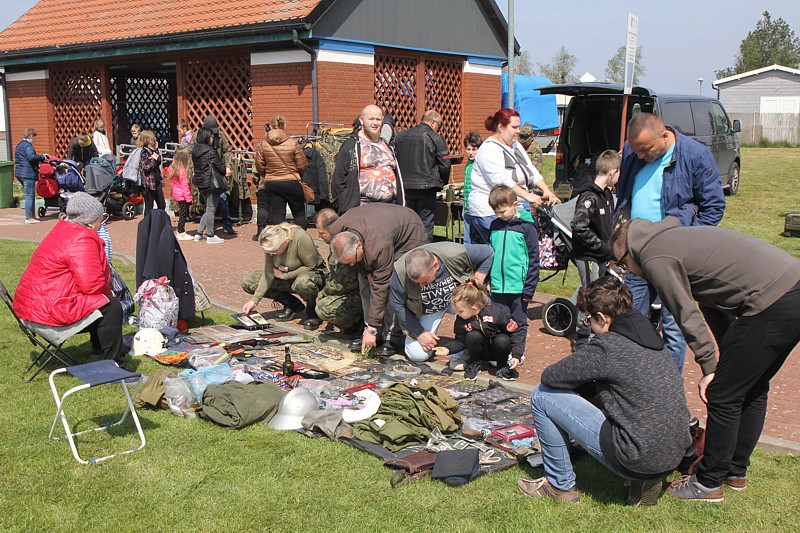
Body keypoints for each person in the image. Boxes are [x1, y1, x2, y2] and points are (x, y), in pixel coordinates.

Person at [610, 218, 800, 502]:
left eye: (622, 264)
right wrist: (725, 359)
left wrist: (710, 367)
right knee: (753, 386)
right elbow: (713, 305)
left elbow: (685, 314)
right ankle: (735, 471)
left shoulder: (654, 255)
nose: (627, 271)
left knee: (723, 394)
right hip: (791, 288)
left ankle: (708, 483)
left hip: (772, 299)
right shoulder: (675, 239)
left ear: (629, 250)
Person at [518, 276, 691, 505]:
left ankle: (560, 485)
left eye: (588, 319)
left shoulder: (608, 347)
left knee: (542, 395)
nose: (588, 325)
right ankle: (644, 480)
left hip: (634, 456)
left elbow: (551, 376)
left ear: (601, 317)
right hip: (672, 455)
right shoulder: (654, 341)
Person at [614, 112, 725, 374]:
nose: (641, 156)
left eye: (646, 149)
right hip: (636, 255)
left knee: (674, 325)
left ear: (664, 135)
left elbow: (714, 207)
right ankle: (633, 378)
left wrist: (685, 243)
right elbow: (624, 196)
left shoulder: (695, 155)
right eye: (636, 150)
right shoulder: (633, 152)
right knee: (629, 319)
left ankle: (669, 385)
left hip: (673, 257)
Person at [12, 192, 128, 369]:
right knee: (111, 306)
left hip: (31, 305)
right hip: (45, 311)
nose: (101, 223)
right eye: (101, 218)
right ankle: (115, 367)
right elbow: (92, 285)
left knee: (99, 301)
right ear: (89, 221)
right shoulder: (82, 239)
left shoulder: (64, 229)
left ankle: (99, 348)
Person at [318, 204, 427, 356]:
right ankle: (371, 333)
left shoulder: (378, 247)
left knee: (394, 284)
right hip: (379, 225)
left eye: (352, 260)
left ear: (359, 245)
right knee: (364, 283)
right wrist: (370, 328)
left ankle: (391, 337)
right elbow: (362, 274)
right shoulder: (336, 231)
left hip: (408, 233)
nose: (352, 264)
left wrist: (373, 328)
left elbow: (382, 287)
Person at [466, 108, 559, 244]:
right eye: (514, 127)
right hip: (490, 212)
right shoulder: (489, 149)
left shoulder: (515, 145)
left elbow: (530, 170)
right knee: (500, 253)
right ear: (501, 127)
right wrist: (528, 196)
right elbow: (501, 181)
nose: (518, 131)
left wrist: (546, 190)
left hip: (515, 208)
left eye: (519, 126)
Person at [389, 242, 493, 362]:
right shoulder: (400, 272)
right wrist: (420, 332)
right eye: (417, 283)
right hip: (428, 309)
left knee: (483, 315)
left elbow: (488, 253)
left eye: (425, 281)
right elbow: (397, 305)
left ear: (436, 265)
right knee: (416, 355)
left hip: (458, 299)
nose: (421, 286)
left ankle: (473, 349)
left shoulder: (454, 253)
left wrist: (476, 283)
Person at [486, 184, 539, 379]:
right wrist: (490, 279)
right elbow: (491, 254)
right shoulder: (494, 226)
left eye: (503, 211)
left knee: (518, 321)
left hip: (518, 285)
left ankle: (517, 353)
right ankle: (500, 352)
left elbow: (534, 259)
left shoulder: (527, 228)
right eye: (496, 212)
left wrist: (529, 289)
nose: (499, 215)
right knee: (499, 320)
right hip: (498, 285)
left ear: (515, 205)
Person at [571, 149, 620, 348]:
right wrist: (600, 247)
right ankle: (582, 338)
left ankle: (595, 332)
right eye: (619, 173)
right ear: (612, 173)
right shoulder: (589, 197)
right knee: (589, 295)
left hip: (601, 256)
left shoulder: (606, 195)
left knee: (598, 293)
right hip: (589, 256)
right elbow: (578, 226)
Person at [435, 277, 524, 381]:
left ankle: (502, 367)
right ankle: (474, 364)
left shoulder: (497, 312)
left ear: (473, 308)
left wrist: (516, 355)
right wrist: (447, 349)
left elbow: (516, 332)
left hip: (498, 350)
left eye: (460, 311)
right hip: (480, 351)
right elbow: (460, 340)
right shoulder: (462, 319)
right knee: (473, 335)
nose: (457, 314)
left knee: (503, 339)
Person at [241, 222, 327, 329]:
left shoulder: (300, 237)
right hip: (287, 276)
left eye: (274, 251)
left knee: (302, 283)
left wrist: (286, 275)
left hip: (312, 276)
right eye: (269, 252)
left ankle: (312, 309)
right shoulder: (270, 244)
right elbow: (268, 273)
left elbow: (312, 266)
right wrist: (254, 300)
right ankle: (292, 304)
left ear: (283, 242)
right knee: (249, 281)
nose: (271, 254)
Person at [331, 104, 405, 214]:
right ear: (362, 120)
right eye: (371, 119)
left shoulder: (387, 146)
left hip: (390, 207)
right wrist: (345, 204)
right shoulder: (351, 146)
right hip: (362, 209)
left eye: (378, 119)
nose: (375, 123)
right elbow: (338, 181)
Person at [395, 109, 451, 242]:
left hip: (406, 186)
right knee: (426, 222)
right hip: (427, 186)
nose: (439, 129)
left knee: (409, 222)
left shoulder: (402, 136)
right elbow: (445, 163)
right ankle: (425, 253)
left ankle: (410, 251)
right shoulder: (435, 137)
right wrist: (443, 182)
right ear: (433, 123)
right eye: (439, 125)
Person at [309, 214, 363, 338]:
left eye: (322, 233)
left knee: (323, 308)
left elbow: (343, 284)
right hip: (350, 289)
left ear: (331, 230)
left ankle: (357, 323)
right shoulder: (337, 243)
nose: (319, 236)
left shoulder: (344, 246)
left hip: (358, 294)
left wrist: (324, 293)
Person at [254, 115, 308, 235]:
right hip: (292, 181)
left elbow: (259, 165)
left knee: (278, 216)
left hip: (272, 182)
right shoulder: (292, 143)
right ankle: (302, 240)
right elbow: (302, 164)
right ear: (284, 126)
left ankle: (279, 243)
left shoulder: (263, 144)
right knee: (299, 213)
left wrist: (267, 175)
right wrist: (298, 174)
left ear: (271, 126)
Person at [191, 126, 226, 244]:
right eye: (212, 136)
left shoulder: (195, 150)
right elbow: (221, 167)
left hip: (200, 181)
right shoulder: (210, 151)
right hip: (211, 182)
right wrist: (225, 170)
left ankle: (199, 233)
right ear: (207, 136)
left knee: (208, 208)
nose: (213, 138)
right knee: (211, 209)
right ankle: (210, 235)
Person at [14, 128, 48, 224]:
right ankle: (29, 217)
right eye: (34, 138)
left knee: (29, 195)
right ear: (30, 136)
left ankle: (31, 215)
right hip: (27, 173)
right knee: (30, 195)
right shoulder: (28, 146)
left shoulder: (20, 145)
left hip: (19, 172)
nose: (35, 140)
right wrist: (43, 157)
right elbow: (32, 157)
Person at [165, 146, 193, 240]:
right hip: (182, 195)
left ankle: (181, 231)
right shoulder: (182, 171)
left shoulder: (173, 168)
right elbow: (184, 186)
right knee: (183, 215)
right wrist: (189, 199)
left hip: (177, 194)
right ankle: (181, 232)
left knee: (182, 213)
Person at [461, 131, 482, 244]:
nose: (471, 152)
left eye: (474, 149)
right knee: (467, 240)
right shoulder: (468, 164)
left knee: (478, 239)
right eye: (468, 149)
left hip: (477, 207)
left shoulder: (480, 164)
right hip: (467, 206)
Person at [138, 130, 166, 214]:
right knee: (149, 206)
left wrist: (156, 150)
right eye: (152, 139)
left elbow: (159, 161)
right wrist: (153, 158)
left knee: (162, 204)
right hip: (148, 183)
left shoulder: (152, 151)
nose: (154, 141)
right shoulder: (144, 153)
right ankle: (147, 225)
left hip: (157, 181)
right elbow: (146, 167)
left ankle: (159, 222)